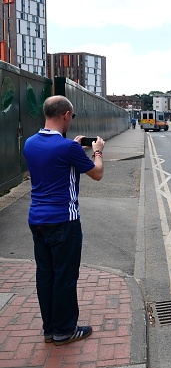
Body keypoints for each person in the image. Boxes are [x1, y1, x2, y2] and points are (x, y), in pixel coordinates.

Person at [24, 95, 105, 346]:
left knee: (46, 276)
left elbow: (54, 162)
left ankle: (50, 329)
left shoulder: (30, 143)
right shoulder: (68, 148)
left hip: (36, 219)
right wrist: (97, 151)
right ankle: (65, 330)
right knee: (65, 277)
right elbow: (97, 173)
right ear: (66, 115)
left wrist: (74, 147)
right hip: (64, 221)